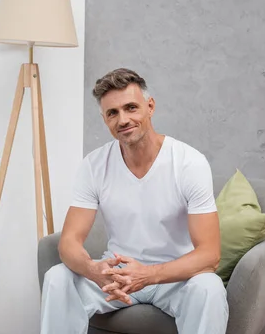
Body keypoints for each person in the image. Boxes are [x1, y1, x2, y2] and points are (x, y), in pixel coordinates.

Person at [40, 68, 228, 334]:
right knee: (57, 277)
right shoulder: (94, 165)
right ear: (104, 119)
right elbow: (69, 242)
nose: (123, 119)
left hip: (174, 278)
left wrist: (148, 275)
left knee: (209, 286)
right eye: (112, 113)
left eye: (131, 108)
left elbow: (210, 255)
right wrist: (94, 270)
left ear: (150, 107)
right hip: (116, 277)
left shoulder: (188, 163)